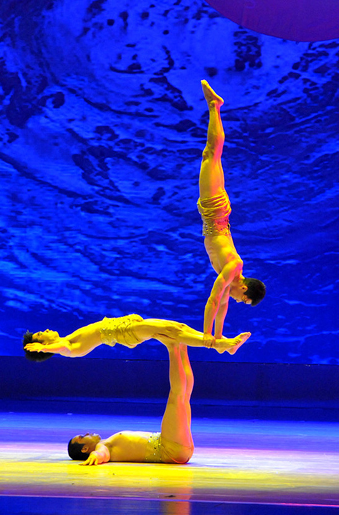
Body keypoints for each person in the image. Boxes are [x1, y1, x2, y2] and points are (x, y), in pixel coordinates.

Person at [197, 80, 266, 340]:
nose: (238, 301)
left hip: (213, 215)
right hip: (215, 213)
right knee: (211, 155)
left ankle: (215, 106)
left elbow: (222, 306)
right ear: (245, 288)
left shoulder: (230, 279)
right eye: (244, 300)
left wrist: (218, 337)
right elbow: (214, 299)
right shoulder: (234, 267)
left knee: (212, 156)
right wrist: (206, 336)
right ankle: (215, 106)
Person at [67, 338, 200, 465]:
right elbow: (101, 454)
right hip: (169, 449)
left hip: (176, 448)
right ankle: (173, 347)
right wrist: (95, 456)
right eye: (82, 437)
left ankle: (182, 347)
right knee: (177, 397)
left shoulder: (108, 442)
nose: (87, 433)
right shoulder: (103, 446)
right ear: (85, 449)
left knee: (183, 397)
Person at [22, 314, 251, 361]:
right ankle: (221, 344)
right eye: (42, 334)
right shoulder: (66, 345)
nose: (46, 330)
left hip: (125, 327)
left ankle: (222, 346)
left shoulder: (69, 338)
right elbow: (61, 348)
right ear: (43, 343)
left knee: (175, 327)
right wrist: (43, 350)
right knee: (172, 331)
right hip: (124, 333)